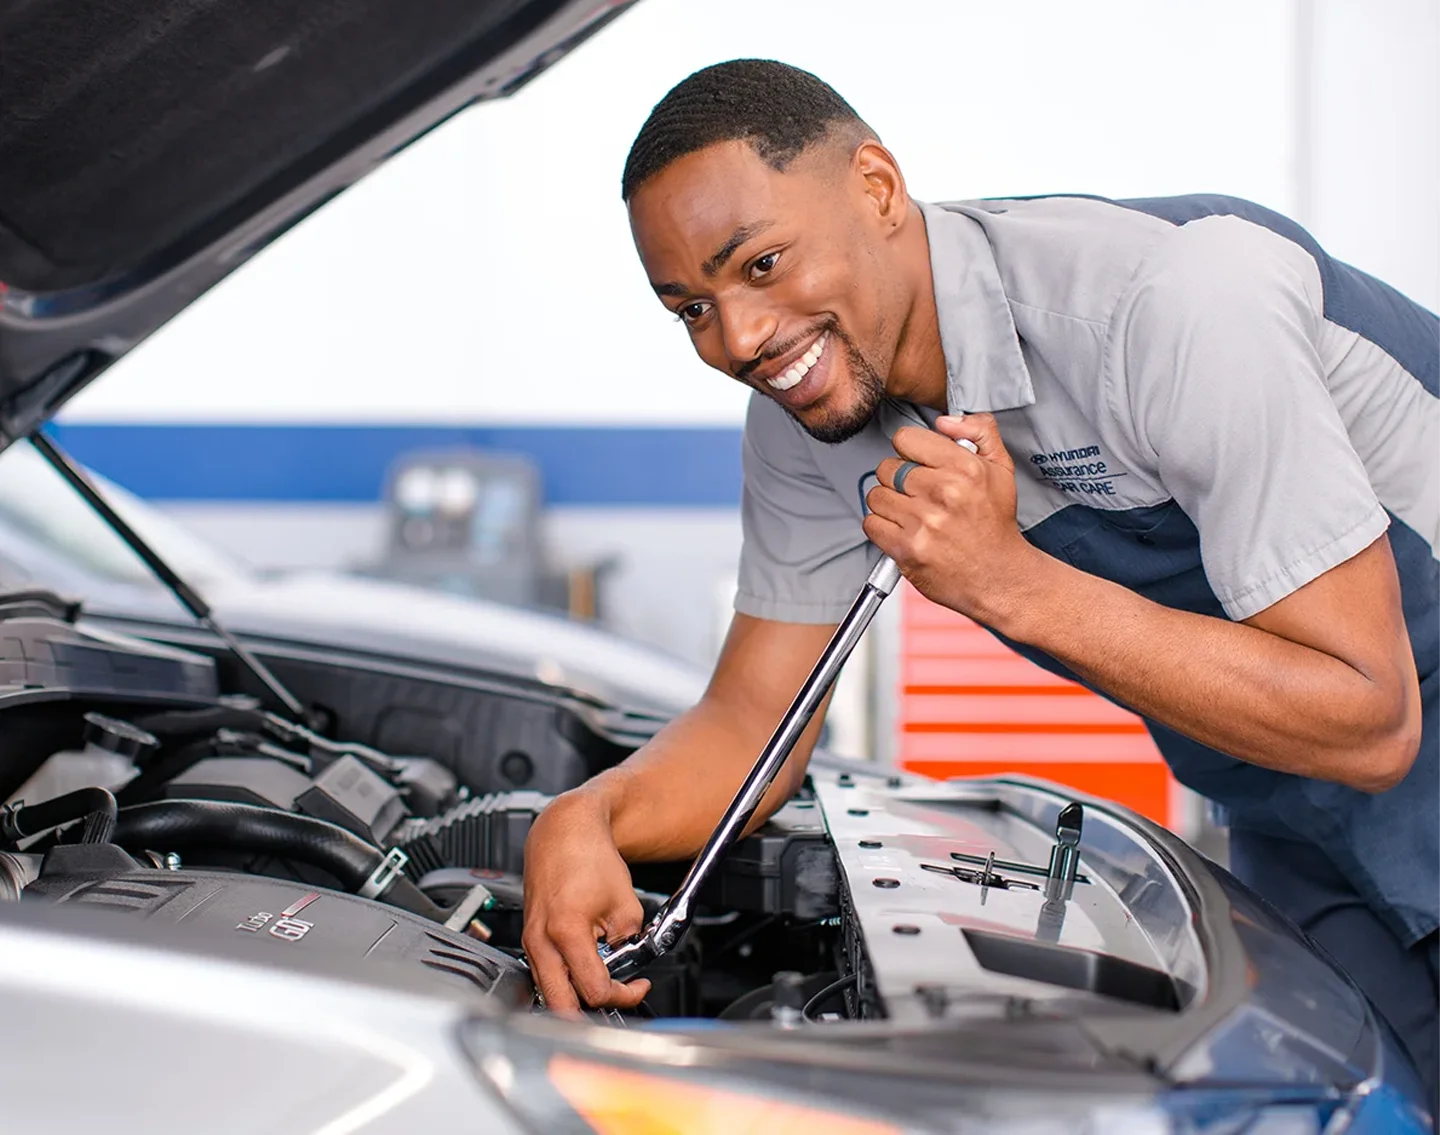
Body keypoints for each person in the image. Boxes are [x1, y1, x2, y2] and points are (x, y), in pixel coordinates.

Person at [521, 56, 1439, 1092]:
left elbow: (1370, 717)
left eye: (764, 264)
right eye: (690, 309)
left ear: (876, 187)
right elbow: (748, 725)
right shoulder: (805, 421)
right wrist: (588, 814)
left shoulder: (1171, 305)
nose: (739, 339)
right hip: (1288, 802)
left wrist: (1013, 585)